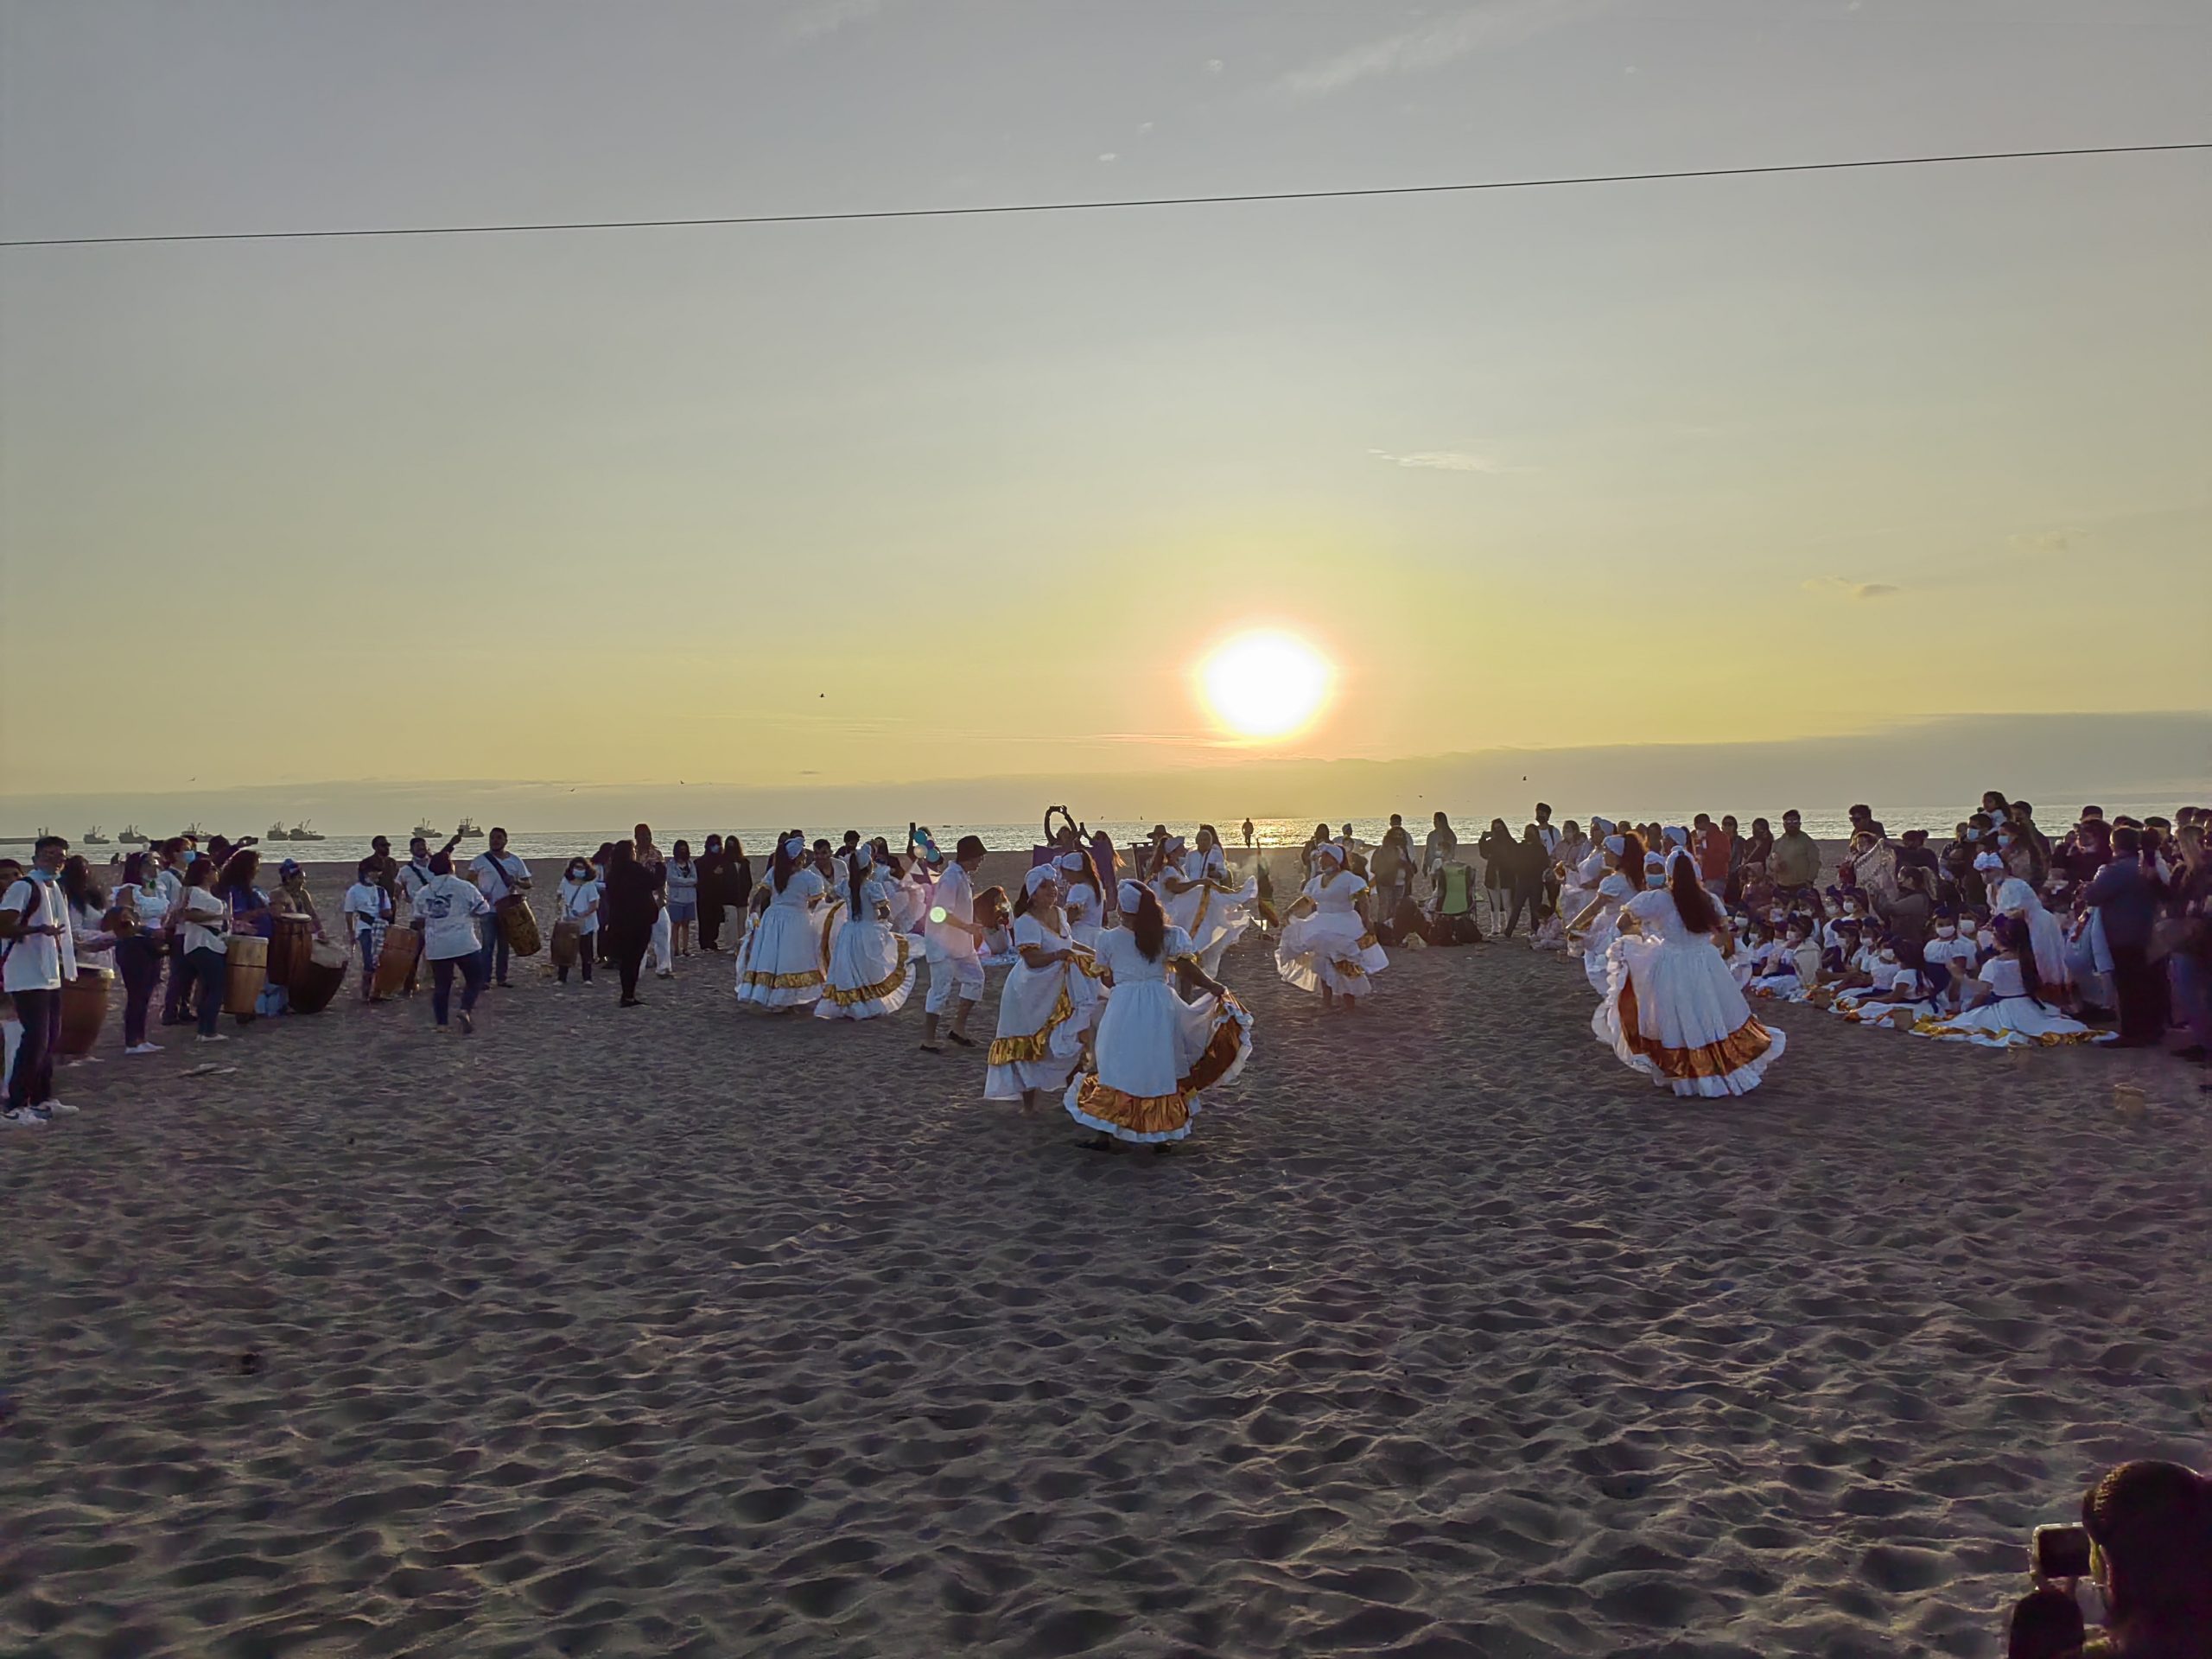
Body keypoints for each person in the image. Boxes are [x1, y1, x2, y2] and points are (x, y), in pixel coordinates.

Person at [1065, 881, 1251, 1152]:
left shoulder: (1107, 939)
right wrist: (1213, 986)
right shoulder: (1169, 936)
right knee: (1157, 1064)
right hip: (1159, 1004)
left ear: (1124, 911)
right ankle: (1161, 1135)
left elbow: (1106, 975)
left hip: (1123, 1005)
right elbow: (1187, 970)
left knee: (1114, 1063)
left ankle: (1104, 1134)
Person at [1591, 849, 1784, 1096]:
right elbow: (1724, 936)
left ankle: (1684, 1073)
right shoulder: (1709, 899)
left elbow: (1622, 923)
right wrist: (1711, 952)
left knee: (1676, 1016)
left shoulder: (1658, 899)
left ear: (1669, 873)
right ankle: (1714, 1067)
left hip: (1671, 962)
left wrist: (1648, 934)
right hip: (1705, 961)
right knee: (1707, 1012)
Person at [983, 867, 1091, 1115]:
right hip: (1030, 990)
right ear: (1032, 894)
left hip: (1059, 987)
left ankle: (1074, 1097)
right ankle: (1030, 1106)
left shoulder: (1060, 914)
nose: (1052, 890)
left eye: (1053, 885)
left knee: (1070, 1040)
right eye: (1045, 886)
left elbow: (1069, 942)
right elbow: (1032, 959)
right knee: (1028, 1047)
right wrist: (1058, 955)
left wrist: (1092, 954)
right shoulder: (1026, 922)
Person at [1918, 915, 2110, 1050]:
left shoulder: (1994, 964)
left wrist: (1960, 977)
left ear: (2001, 940)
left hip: (2004, 1008)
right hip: (2027, 1005)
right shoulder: (2027, 958)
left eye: (1994, 935)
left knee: (1969, 1025)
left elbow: (1983, 990)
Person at [3, 836, 80, 1124]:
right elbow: (4, 926)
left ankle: (42, 1098)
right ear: (35, 858)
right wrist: (37, 929)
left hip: (48, 974)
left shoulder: (53, 889)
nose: (56, 860)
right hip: (26, 974)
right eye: (49, 855)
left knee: (49, 1039)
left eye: (61, 856)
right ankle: (16, 1105)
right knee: (33, 1039)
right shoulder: (24, 887)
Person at [1274, 842, 1388, 1012]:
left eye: (1325, 856)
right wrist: (1290, 910)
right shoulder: (1317, 880)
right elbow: (1308, 900)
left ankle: (1349, 1002)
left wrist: (1367, 921)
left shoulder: (1349, 878)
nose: (1321, 860)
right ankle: (1327, 1001)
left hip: (1344, 922)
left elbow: (1363, 901)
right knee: (1322, 960)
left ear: (1335, 859)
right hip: (1321, 922)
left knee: (1344, 961)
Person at [2086, 828, 2169, 1047]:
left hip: (2123, 934)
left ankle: (2133, 1032)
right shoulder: (2147, 866)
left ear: (2116, 846)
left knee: (2129, 985)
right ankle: (2153, 1028)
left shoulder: (2117, 870)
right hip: (2147, 931)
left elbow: (2093, 896)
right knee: (2148, 983)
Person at [816, 844, 918, 1021]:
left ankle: (849, 1004)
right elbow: (884, 912)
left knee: (849, 967)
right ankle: (867, 1003)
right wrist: (881, 920)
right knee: (869, 967)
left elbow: (829, 898)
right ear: (868, 867)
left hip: (849, 931)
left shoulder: (844, 886)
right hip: (868, 930)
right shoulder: (873, 887)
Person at [736, 833, 829, 1014]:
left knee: (773, 957)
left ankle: (775, 997)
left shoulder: (774, 873)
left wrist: (753, 911)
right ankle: (788, 998)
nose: (805, 855)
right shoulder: (810, 879)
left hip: (773, 919)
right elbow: (817, 903)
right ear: (797, 858)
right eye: (803, 853)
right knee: (792, 959)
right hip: (797, 920)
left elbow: (760, 896)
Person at [919, 835, 988, 1052]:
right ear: (969, 856)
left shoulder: (963, 875)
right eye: (979, 857)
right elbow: (940, 913)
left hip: (961, 943)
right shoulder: (951, 878)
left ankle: (958, 1029)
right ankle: (928, 1039)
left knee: (976, 979)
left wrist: (971, 925)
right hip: (942, 943)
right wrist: (967, 927)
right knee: (940, 990)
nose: (981, 861)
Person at [412, 852, 492, 1033]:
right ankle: (465, 1009)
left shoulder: (424, 892)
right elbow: (483, 909)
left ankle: (441, 1024)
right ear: (451, 866)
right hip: (464, 942)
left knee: (441, 985)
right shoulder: (464, 887)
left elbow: (418, 918)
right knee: (475, 979)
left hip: (437, 944)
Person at [109, 852, 172, 1052]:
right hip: (134, 943)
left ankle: (141, 1037)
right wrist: (147, 931)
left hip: (154, 943)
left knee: (148, 991)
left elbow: (163, 915)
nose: (155, 869)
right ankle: (132, 1040)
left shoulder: (157, 889)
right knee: (136, 993)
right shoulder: (129, 890)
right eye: (150, 865)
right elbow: (123, 918)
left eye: (156, 865)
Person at [171, 855, 234, 1044]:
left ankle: (204, 1030)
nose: (217, 872)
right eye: (213, 869)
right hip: (203, 943)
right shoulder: (196, 892)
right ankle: (208, 1031)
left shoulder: (204, 893)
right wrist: (220, 916)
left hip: (209, 943)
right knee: (216, 986)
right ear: (205, 874)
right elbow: (190, 915)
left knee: (209, 987)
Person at [467, 828, 531, 989]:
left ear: (505, 841)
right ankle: (484, 980)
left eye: (499, 838)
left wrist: (516, 882)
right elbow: (468, 883)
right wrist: (480, 895)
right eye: (492, 838)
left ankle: (501, 978)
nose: (495, 840)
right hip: (487, 910)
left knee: (504, 946)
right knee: (487, 945)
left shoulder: (515, 861)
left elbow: (528, 884)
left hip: (508, 910)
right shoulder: (480, 860)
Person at [600, 841, 660, 1006]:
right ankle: (629, 995)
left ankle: (627, 994)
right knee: (634, 959)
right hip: (639, 920)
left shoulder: (613, 874)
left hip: (619, 921)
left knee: (626, 961)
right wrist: (660, 868)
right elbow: (655, 883)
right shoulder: (635, 869)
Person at [341, 859, 394, 1001]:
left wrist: (386, 912)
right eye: (374, 871)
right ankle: (366, 993)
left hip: (381, 928)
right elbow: (349, 913)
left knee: (382, 960)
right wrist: (352, 933)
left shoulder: (381, 891)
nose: (377, 875)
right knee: (369, 961)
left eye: (378, 872)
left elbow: (388, 911)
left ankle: (377, 992)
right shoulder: (354, 891)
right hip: (365, 929)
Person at [553, 856, 601, 986]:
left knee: (586, 951)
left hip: (585, 923)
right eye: (576, 867)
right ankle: (561, 978)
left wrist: (583, 915)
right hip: (568, 921)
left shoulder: (589, 885)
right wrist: (560, 910)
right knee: (565, 950)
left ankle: (587, 978)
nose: (579, 870)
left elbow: (594, 904)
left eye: (581, 867)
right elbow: (559, 896)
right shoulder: (565, 882)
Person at [1770, 809, 1821, 904]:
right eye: (1788, 822)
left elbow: (1815, 862)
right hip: (1782, 885)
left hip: (1801, 885)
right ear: (1784, 824)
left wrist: (1809, 880)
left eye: (1795, 822)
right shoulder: (1778, 843)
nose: (1791, 825)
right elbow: (1769, 862)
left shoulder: (1806, 841)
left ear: (1799, 824)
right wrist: (1775, 865)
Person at [664, 840, 698, 962]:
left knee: (686, 924)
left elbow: (695, 879)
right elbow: (671, 880)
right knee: (676, 923)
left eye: (684, 849)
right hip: (676, 898)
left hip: (689, 898)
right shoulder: (671, 864)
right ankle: (676, 948)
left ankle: (686, 948)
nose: (682, 852)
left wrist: (683, 882)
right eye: (680, 849)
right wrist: (686, 882)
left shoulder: (690, 864)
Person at [695, 836, 727, 953]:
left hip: (718, 895)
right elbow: (699, 880)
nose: (716, 847)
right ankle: (705, 943)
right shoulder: (700, 862)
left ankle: (712, 941)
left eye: (718, 844)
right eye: (713, 844)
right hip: (704, 896)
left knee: (716, 920)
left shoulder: (723, 860)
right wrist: (713, 874)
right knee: (705, 920)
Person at [1423, 811, 1459, 893]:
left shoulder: (1449, 835)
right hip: (1432, 864)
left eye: (1436, 821)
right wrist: (1425, 865)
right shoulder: (1431, 835)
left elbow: (1450, 850)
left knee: (1444, 886)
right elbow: (1428, 850)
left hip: (1445, 865)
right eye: (1433, 821)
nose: (1434, 823)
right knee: (1435, 888)